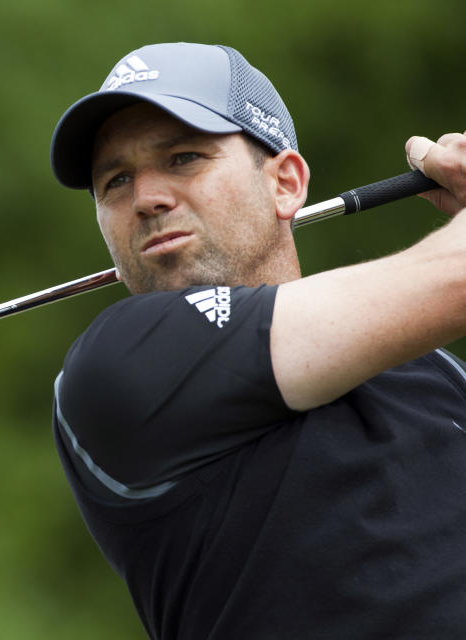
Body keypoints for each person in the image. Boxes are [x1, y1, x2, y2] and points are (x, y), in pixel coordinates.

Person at [48, 42, 466, 639]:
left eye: (184, 157)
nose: (146, 199)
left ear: (286, 183)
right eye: (115, 181)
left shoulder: (437, 375)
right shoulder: (117, 365)